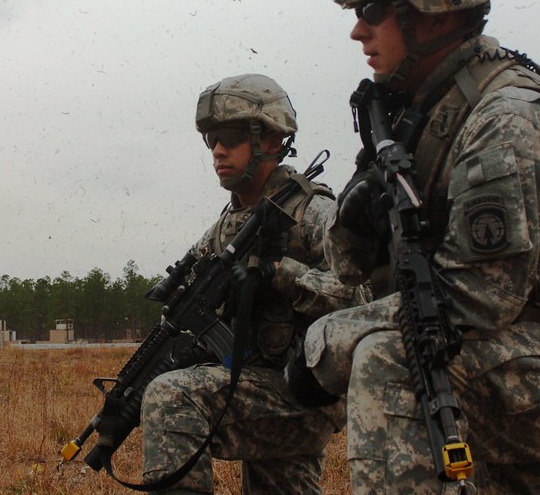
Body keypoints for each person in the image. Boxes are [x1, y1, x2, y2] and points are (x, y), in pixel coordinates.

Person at [296, 0, 540, 493]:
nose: (357, 31)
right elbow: (350, 268)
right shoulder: (429, 113)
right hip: (528, 348)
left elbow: (477, 298)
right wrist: (358, 219)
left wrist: (326, 343)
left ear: (435, 12)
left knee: (392, 359)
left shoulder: (508, 120)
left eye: (373, 10)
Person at [141, 74, 369, 495]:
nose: (218, 150)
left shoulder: (314, 212)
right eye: (211, 140)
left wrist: (279, 273)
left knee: (172, 398)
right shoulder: (223, 229)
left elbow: (364, 300)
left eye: (230, 137)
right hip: (259, 384)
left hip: (308, 392)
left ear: (272, 140)